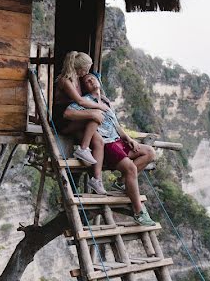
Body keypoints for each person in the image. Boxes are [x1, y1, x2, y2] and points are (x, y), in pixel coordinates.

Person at [79, 73, 157, 226]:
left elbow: (116, 125)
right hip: (106, 144)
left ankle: (121, 182)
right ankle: (138, 212)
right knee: (130, 169)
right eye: (87, 81)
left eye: (92, 78)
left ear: (99, 81)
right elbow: (69, 113)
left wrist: (128, 138)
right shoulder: (85, 101)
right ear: (85, 87)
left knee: (149, 152)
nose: (91, 81)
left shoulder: (106, 102)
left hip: (118, 140)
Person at [52, 51, 107, 194]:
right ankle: (83, 149)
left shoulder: (78, 79)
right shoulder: (65, 80)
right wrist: (99, 106)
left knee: (99, 142)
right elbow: (80, 101)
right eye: (86, 69)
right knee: (96, 115)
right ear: (78, 67)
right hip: (63, 119)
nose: (87, 72)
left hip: (77, 118)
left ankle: (96, 180)